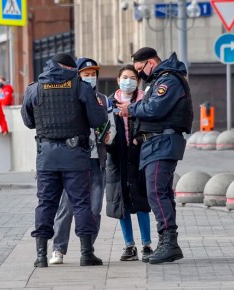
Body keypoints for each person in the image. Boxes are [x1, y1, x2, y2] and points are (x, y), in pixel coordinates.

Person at [21, 52, 108, 268]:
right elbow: (98, 119)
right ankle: (87, 253)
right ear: (70, 68)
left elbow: (28, 121)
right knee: (81, 204)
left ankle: (41, 256)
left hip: (46, 156)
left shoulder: (35, 88)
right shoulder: (81, 86)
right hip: (75, 156)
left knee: (46, 204)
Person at [116, 47, 193, 264]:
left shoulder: (168, 80)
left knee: (156, 192)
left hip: (163, 143)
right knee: (161, 193)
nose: (139, 75)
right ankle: (167, 242)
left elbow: (154, 109)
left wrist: (131, 109)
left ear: (151, 62)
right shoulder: (160, 79)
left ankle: (169, 242)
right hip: (157, 144)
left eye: (140, 69)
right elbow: (149, 107)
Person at [49, 57, 114, 265]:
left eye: (93, 74)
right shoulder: (71, 97)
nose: (90, 78)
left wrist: (109, 136)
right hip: (75, 162)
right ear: (77, 76)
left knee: (94, 208)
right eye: (85, 75)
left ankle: (88, 248)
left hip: (97, 161)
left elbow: (110, 126)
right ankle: (58, 249)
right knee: (67, 207)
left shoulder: (103, 100)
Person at [106, 65, 153, 262]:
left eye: (132, 77)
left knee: (142, 201)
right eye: (125, 77)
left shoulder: (146, 100)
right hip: (117, 158)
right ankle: (129, 246)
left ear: (138, 81)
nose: (128, 81)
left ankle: (147, 244)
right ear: (118, 80)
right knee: (121, 202)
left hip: (140, 157)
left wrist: (139, 139)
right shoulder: (108, 102)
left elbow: (152, 126)